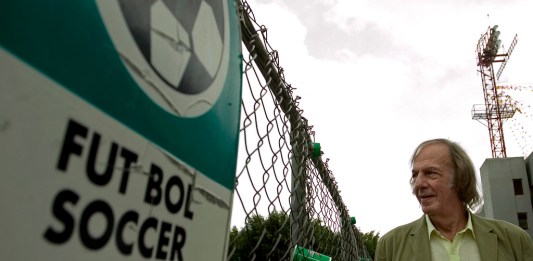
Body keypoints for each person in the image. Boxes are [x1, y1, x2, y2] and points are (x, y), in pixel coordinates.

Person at [375, 138, 533, 261]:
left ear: (459, 178)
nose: (418, 184)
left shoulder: (514, 240)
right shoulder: (391, 246)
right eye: (415, 175)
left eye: (430, 173)